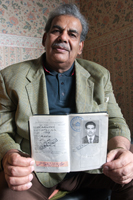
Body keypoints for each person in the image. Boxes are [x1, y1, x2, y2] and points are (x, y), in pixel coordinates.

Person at [0, 3, 133, 200]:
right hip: (36, 169)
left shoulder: (100, 76)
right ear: (45, 39)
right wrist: (9, 155)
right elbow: (2, 130)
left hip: (91, 166)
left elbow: (115, 121)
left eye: (72, 34)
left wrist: (121, 150)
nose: (63, 38)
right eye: (56, 31)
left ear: (80, 47)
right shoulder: (10, 77)